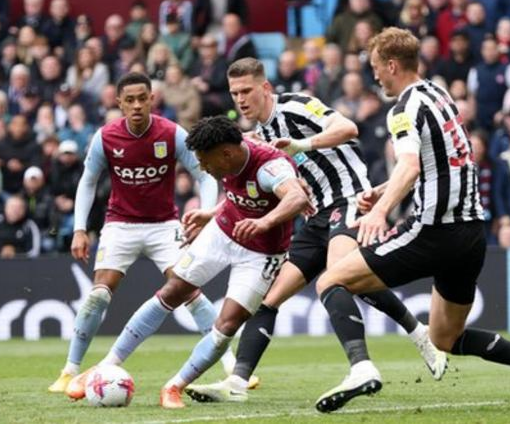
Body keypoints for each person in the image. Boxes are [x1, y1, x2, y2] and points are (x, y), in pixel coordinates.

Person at [310, 27, 510, 413]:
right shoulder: (440, 94)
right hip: (471, 234)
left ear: (393, 65)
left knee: (331, 280)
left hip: (433, 231)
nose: (375, 76)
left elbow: (411, 164)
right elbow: (440, 162)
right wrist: (383, 190)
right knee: (445, 337)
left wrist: (381, 211)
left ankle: (361, 368)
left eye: (376, 68)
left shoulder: (402, 109)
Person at [184, 57, 447, 404]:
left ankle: (364, 367)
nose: (241, 99)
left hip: (349, 199)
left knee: (339, 277)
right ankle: (237, 382)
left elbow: (348, 128)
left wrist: (301, 145)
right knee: (269, 299)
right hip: (313, 218)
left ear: (265, 87)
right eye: (234, 93)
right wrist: (211, 212)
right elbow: (250, 188)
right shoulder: (255, 137)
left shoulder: (296, 106)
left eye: (247, 90)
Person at [65, 115, 310, 408]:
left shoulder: (271, 166)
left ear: (226, 154)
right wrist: (211, 213)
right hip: (223, 230)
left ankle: (174, 387)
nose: (204, 169)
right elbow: (241, 192)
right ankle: (106, 365)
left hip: (262, 253)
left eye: (206, 163)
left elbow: (296, 197)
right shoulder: (230, 154)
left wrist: (265, 222)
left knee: (227, 324)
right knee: (173, 290)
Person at [47, 72, 233, 394]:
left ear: (152, 100)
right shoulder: (105, 137)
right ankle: (69, 370)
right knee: (98, 295)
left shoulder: (171, 133)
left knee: (187, 289)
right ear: (118, 102)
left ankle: (230, 365)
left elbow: (203, 175)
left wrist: (205, 214)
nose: (136, 106)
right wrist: (79, 229)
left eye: (141, 99)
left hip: (164, 226)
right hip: (120, 225)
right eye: (129, 100)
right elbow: (87, 182)